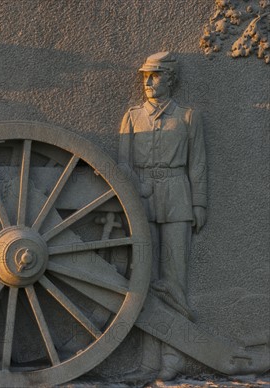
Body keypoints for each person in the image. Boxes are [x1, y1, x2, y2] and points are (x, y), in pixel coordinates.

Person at [118, 52, 207, 380]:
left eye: (155, 76)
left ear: (171, 78)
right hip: (141, 198)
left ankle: (174, 357)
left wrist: (199, 205)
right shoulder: (131, 117)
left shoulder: (187, 117)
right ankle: (148, 360)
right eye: (145, 77)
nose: (149, 83)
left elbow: (196, 164)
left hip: (176, 197)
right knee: (144, 279)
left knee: (174, 278)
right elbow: (123, 165)